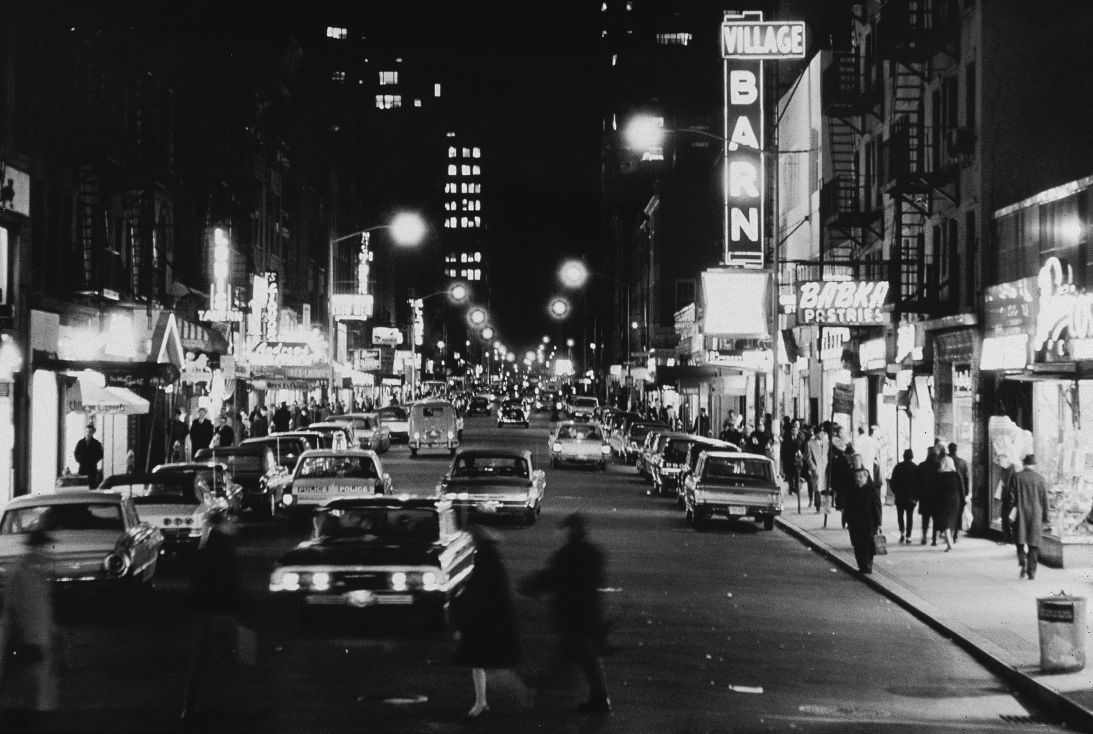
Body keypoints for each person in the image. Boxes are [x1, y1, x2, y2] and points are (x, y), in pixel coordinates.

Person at [520, 513, 611, 713]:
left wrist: (529, 586)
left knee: (573, 658)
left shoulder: (567, 555)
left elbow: (551, 577)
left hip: (573, 615)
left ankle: (540, 689)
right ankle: (597, 698)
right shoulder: (594, 553)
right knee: (583, 658)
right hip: (587, 615)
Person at [181, 506, 245, 721]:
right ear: (224, 524)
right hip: (221, 612)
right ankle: (223, 708)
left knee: (198, 664)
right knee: (226, 661)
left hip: (203, 611)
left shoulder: (206, 547)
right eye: (234, 522)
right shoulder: (224, 549)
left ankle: (190, 708)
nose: (237, 526)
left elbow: (194, 581)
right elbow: (230, 582)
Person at [454, 525, 522, 719]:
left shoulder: (484, 555)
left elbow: (480, 586)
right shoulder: (489, 553)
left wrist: (464, 592)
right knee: (483, 661)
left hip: (485, 618)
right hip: (491, 616)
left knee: (482, 661)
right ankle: (481, 701)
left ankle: (485, 701)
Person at [0, 529, 59, 731]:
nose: (47, 551)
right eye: (44, 546)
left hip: (36, 644)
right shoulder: (23, 573)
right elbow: (15, 612)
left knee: (29, 700)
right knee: (25, 702)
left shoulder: (34, 572)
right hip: (28, 645)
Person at [1007, 454, 1050, 580]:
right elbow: (1045, 500)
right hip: (1036, 514)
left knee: (1019, 540)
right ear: (1033, 465)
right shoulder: (1040, 479)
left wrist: (1010, 512)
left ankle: (1022, 561)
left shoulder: (1016, 477)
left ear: (1024, 464)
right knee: (1033, 543)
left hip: (1020, 513)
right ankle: (1032, 571)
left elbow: (1011, 498)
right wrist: (1046, 516)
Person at [844, 453, 882, 573]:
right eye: (857, 477)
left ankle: (868, 566)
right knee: (857, 545)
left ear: (866, 478)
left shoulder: (872, 491)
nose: (858, 479)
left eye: (860, 477)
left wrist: (879, 523)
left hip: (869, 523)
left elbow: (877, 508)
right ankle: (861, 566)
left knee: (868, 545)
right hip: (855, 524)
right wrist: (845, 519)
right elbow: (848, 507)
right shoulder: (852, 491)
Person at [934, 456, 965, 552]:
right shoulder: (957, 475)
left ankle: (949, 543)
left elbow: (937, 491)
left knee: (945, 522)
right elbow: (962, 490)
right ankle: (950, 540)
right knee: (952, 521)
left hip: (943, 501)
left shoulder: (939, 475)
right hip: (956, 500)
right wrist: (963, 502)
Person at [916, 443, 942, 546]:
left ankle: (924, 537)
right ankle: (934, 539)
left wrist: (917, 495)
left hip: (924, 497)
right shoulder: (939, 465)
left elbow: (917, 482)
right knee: (936, 519)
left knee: (925, 519)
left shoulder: (921, 466)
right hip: (936, 497)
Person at [890, 449, 917, 544]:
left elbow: (892, 482)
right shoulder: (915, 467)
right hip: (911, 498)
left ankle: (902, 533)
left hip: (900, 496)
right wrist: (916, 496)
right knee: (910, 517)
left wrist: (896, 492)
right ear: (912, 456)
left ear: (904, 456)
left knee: (900, 515)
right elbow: (918, 484)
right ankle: (908, 536)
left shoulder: (897, 467)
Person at [948, 442, 970, 541]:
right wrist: (966, 492)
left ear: (949, 449)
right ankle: (955, 534)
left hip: (948, 490)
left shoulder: (946, 460)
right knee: (958, 513)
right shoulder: (963, 462)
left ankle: (948, 533)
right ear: (956, 450)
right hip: (960, 491)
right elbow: (966, 478)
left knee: (948, 512)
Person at [804, 427, 828, 510]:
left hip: (825, 467)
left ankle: (825, 507)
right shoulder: (810, 443)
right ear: (815, 434)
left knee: (825, 488)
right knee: (817, 488)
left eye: (822, 433)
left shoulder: (826, 442)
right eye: (819, 433)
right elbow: (808, 457)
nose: (821, 435)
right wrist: (813, 467)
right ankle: (818, 506)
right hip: (816, 469)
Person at [74, 423, 104, 488]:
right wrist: (80, 460)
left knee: (92, 486)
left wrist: (93, 460)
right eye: (87, 431)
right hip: (82, 468)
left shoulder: (96, 443)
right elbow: (76, 453)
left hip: (92, 469)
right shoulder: (80, 442)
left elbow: (100, 455)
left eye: (90, 432)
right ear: (85, 432)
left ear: (93, 433)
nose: (88, 433)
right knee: (82, 487)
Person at [780, 422, 805, 497]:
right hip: (788, 459)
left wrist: (801, 454)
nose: (794, 432)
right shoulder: (787, 438)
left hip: (797, 459)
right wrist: (783, 458)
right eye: (793, 430)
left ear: (798, 432)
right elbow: (784, 448)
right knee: (790, 475)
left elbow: (802, 447)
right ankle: (791, 488)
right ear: (791, 431)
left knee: (797, 475)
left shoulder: (800, 438)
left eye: (795, 431)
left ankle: (797, 489)